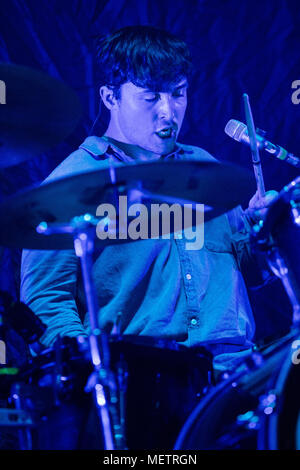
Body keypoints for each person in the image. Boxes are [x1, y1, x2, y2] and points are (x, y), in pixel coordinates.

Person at [20, 25, 275, 448]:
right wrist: (92, 365)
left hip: (236, 373)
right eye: (150, 96)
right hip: (144, 383)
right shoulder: (73, 183)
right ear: (110, 97)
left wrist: (263, 231)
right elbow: (46, 299)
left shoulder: (202, 168)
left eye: (178, 93)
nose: (168, 112)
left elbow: (248, 267)